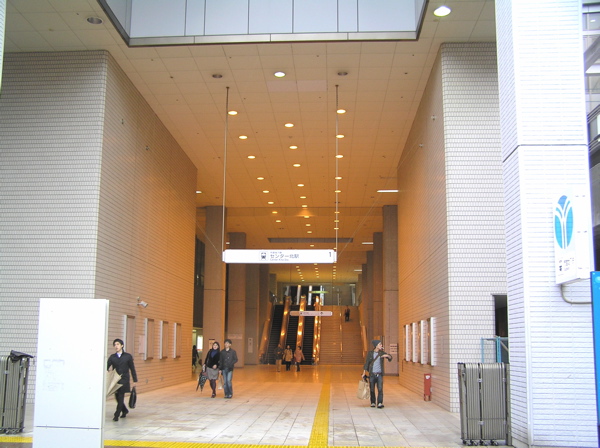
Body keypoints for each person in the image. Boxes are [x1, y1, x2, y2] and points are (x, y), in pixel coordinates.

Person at [107, 338, 137, 421]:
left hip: (124, 379)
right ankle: (124, 410)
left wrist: (135, 380)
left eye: (118, 344)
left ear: (122, 345)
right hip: (115, 380)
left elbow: (132, 368)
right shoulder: (112, 357)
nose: (116, 346)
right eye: (115, 345)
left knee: (121, 396)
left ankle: (116, 415)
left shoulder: (127, 356)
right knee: (117, 397)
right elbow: (106, 367)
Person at [362, 339, 393, 409]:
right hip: (372, 374)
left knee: (380, 389)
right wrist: (364, 373)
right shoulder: (370, 353)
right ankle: (373, 402)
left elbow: (390, 358)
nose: (381, 345)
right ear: (376, 346)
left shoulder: (382, 353)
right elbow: (367, 363)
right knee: (372, 389)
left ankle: (379, 403)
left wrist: (387, 356)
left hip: (379, 374)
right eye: (380, 344)